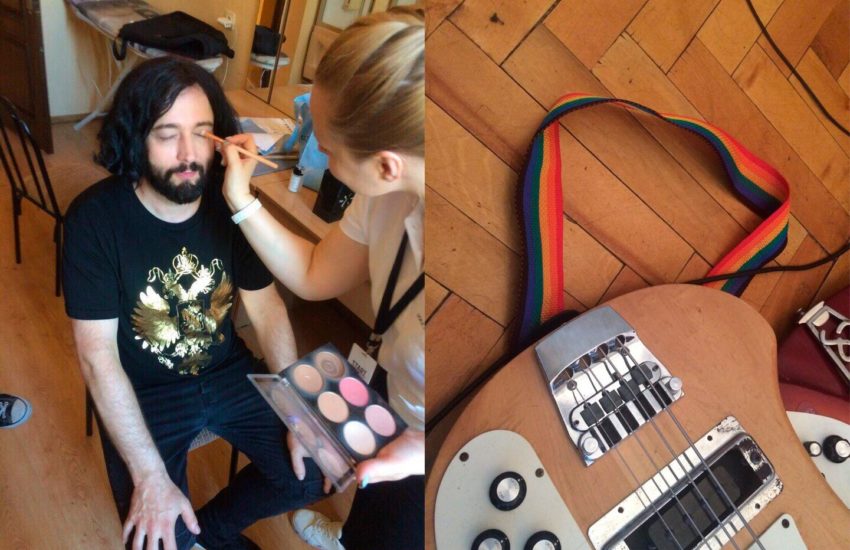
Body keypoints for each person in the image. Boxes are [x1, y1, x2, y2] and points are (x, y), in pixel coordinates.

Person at [62, 57, 325, 550]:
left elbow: (267, 310)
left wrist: (298, 411)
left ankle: (212, 533)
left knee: (313, 474)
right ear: (136, 137)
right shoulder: (93, 220)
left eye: (202, 132)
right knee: (157, 538)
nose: (188, 153)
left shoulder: (234, 205)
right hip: (147, 390)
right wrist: (149, 478)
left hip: (227, 371)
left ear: (221, 138)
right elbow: (96, 356)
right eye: (167, 134)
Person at [217, 7, 424, 550]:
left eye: (327, 151)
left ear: (385, 165)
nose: (323, 161)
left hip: (443, 438)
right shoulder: (387, 195)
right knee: (366, 507)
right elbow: (313, 273)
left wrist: (421, 449)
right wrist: (241, 201)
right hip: (398, 392)